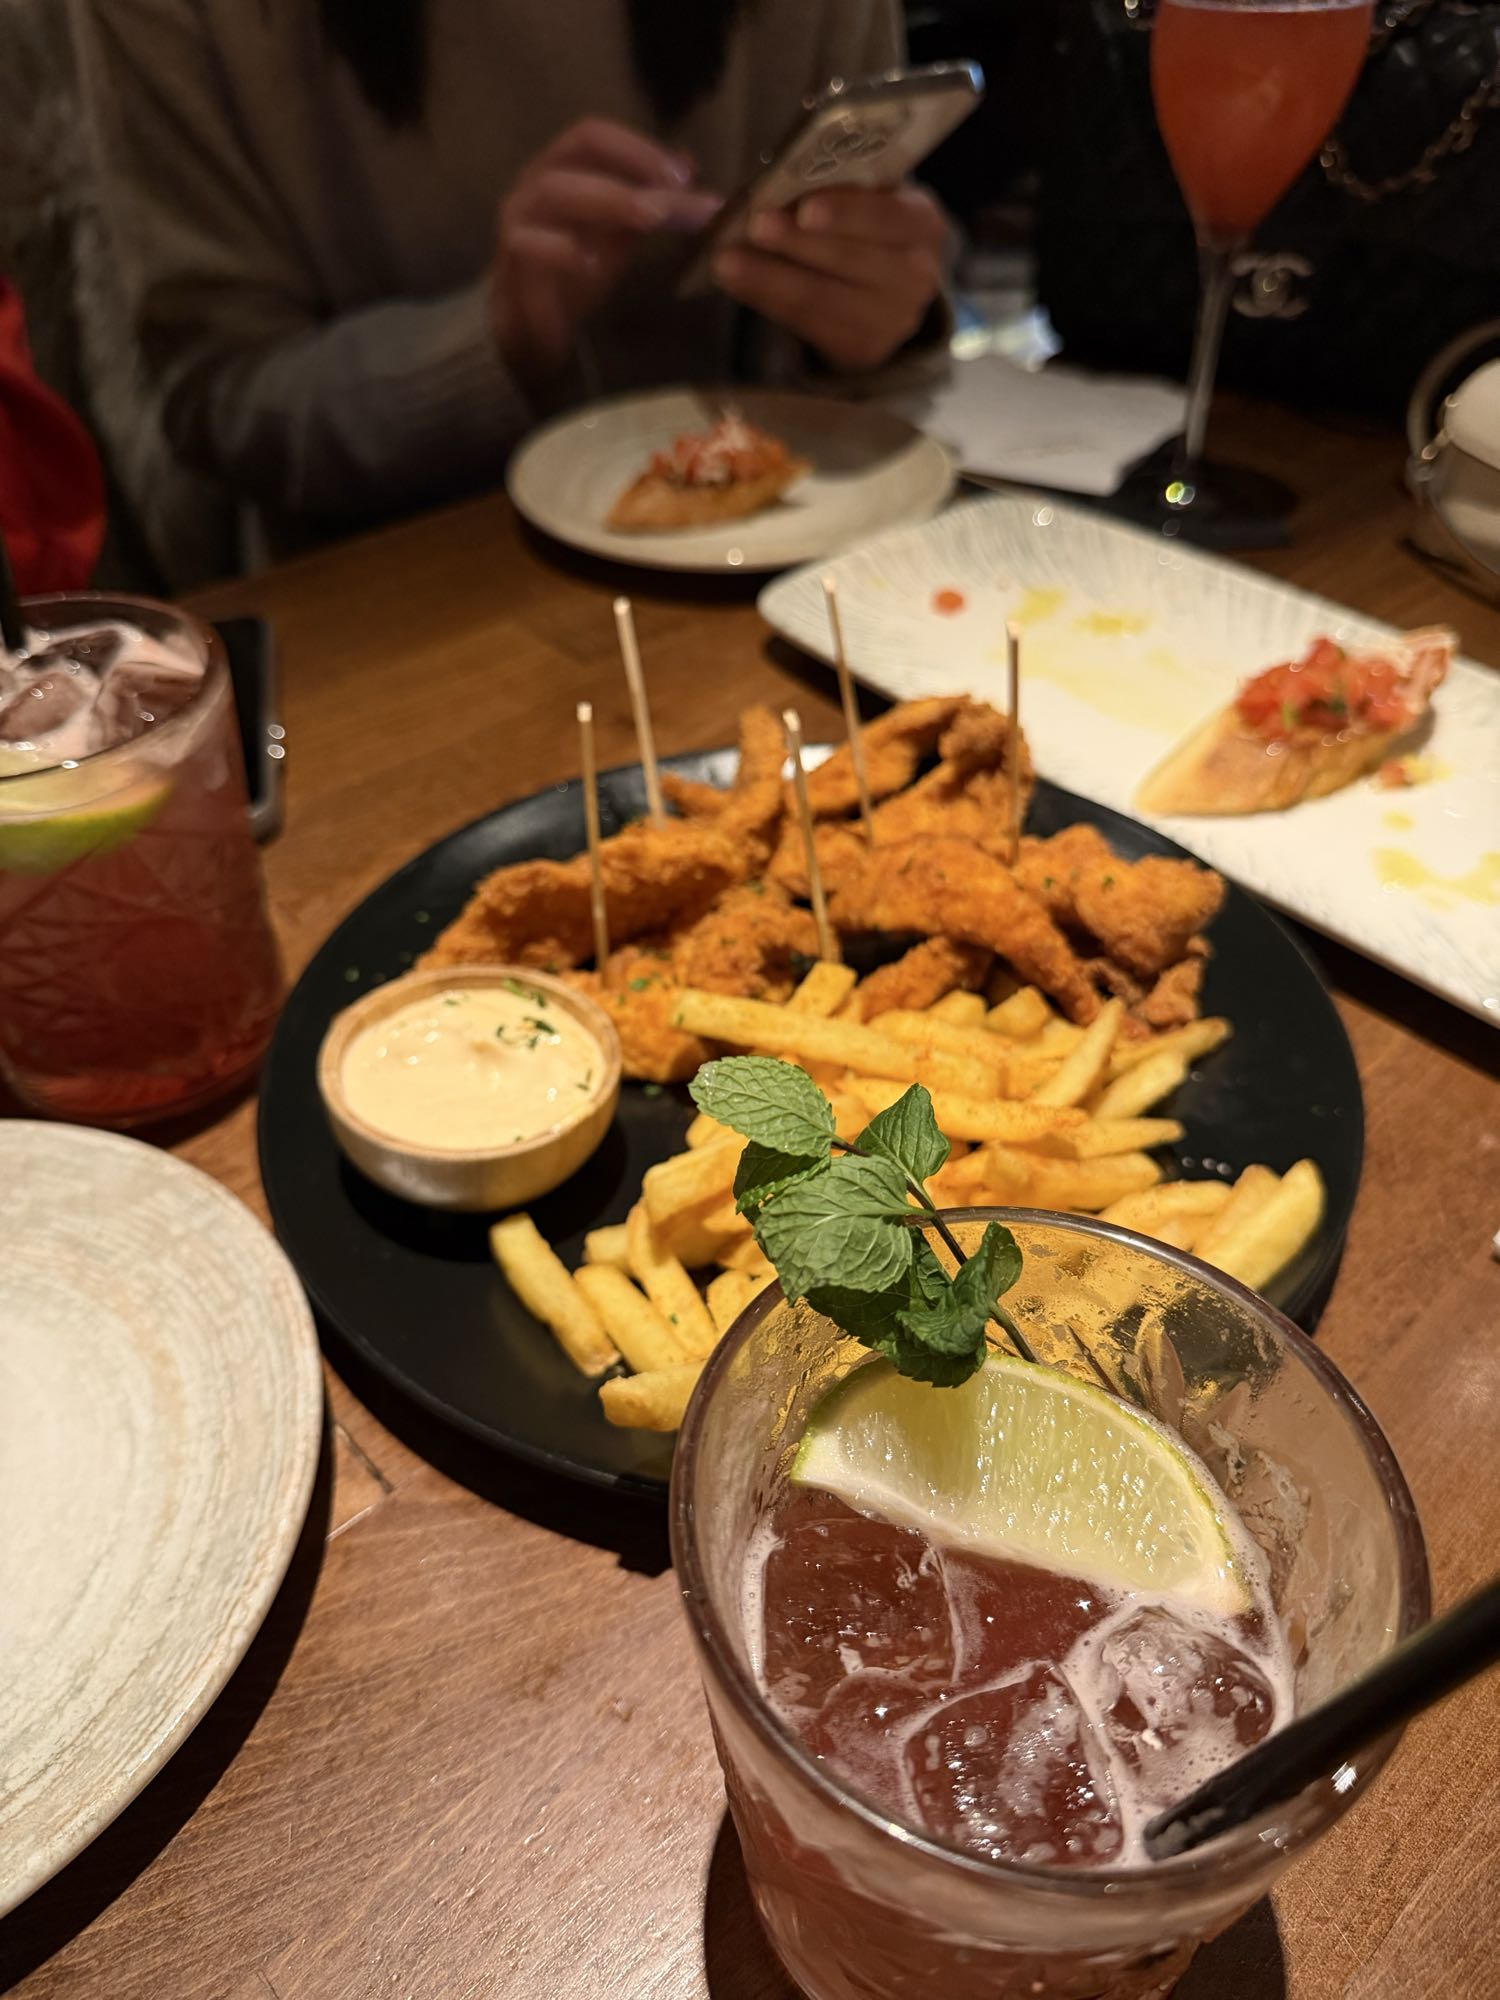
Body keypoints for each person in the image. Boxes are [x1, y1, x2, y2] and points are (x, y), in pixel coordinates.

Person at [67, 0, 948, 545]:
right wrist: (493, 341)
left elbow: (879, 254)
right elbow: (217, 401)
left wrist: (874, 320)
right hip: (389, 613)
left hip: (797, 553)